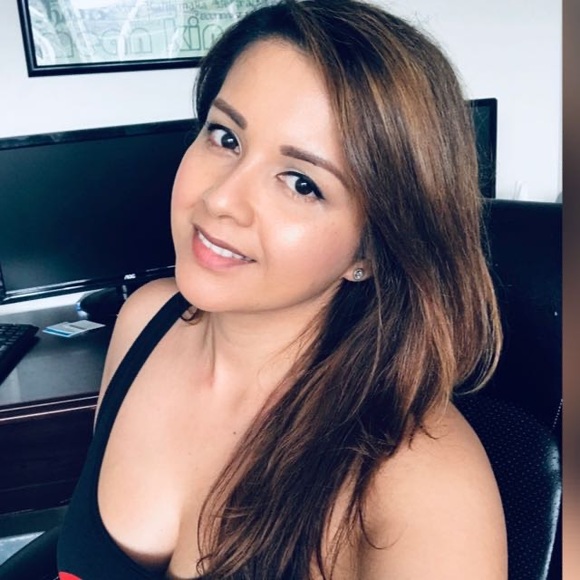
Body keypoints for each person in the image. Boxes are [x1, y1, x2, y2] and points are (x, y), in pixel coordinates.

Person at [57, 0, 507, 578]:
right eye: (226, 137)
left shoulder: (425, 481)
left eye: (301, 183)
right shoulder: (146, 318)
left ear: (370, 251)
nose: (220, 199)